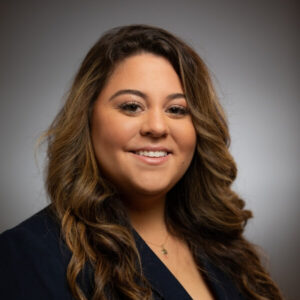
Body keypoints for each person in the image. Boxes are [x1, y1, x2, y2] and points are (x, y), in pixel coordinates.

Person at [0, 24, 283, 300]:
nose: (157, 127)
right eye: (132, 106)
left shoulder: (227, 247)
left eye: (176, 109)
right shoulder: (25, 254)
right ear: (87, 119)